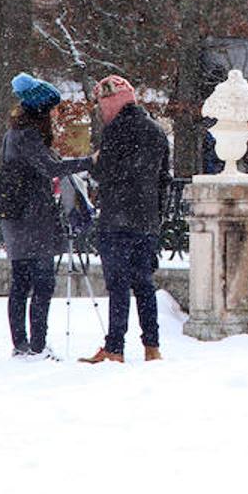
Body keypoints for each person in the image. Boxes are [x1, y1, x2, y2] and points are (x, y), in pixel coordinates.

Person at [79, 74, 171, 364]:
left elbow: (105, 171)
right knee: (144, 284)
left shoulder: (116, 130)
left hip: (117, 219)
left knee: (118, 286)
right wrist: (157, 216)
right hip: (146, 220)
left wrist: (95, 162)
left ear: (112, 103)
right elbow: (164, 179)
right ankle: (152, 347)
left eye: (103, 106)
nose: (102, 112)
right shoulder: (156, 131)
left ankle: (115, 348)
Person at [1, 72, 93, 360]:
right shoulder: (28, 135)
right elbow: (50, 167)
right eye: (50, 110)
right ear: (40, 110)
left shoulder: (13, 133)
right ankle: (36, 346)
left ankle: (22, 344)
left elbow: (47, 164)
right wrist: (89, 161)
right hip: (32, 219)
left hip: (16, 217)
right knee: (41, 284)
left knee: (21, 283)